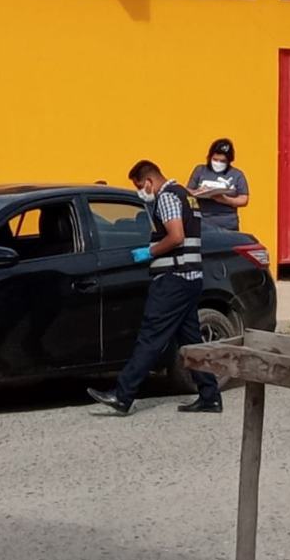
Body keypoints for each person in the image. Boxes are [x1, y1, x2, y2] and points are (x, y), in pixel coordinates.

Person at [87, 160, 222, 415]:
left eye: (140, 186)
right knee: (191, 340)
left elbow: (176, 236)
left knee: (151, 335)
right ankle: (210, 395)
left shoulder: (168, 197)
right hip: (190, 278)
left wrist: (149, 251)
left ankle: (122, 395)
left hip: (174, 279)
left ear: (148, 181)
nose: (141, 192)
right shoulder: (186, 195)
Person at [187, 138, 250, 231]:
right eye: (215, 159)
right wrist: (197, 192)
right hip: (203, 221)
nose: (218, 163)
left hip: (227, 223)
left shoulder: (237, 174)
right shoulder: (200, 170)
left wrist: (226, 200)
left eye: (222, 161)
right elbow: (187, 191)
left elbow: (244, 199)